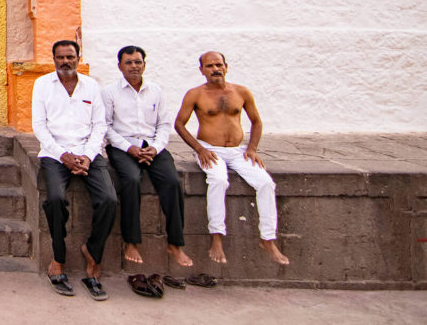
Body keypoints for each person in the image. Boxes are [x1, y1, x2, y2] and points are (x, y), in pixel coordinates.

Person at [174, 51, 290, 266]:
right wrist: (199, 149)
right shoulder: (195, 94)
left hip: (238, 150)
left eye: (218, 64)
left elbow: (256, 121)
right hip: (210, 149)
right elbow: (179, 124)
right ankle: (216, 237)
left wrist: (253, 148)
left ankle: (268, 239)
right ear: (201, 70)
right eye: (209, 66)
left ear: (226, 67)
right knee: (219, 180)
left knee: (265, 183)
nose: (215, 69)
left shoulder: (241, 92)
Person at [32, 40, 117, 300]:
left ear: (78, 57)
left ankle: (93, 253)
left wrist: (88, 157)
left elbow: (99, 126)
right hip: (55, 154)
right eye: (60, 57)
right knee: (55, 200)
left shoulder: (92, 86)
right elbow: (39, 126)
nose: (65, 61)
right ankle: (58, 258)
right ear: (54, 59)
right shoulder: (42, 85)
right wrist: (63, 156)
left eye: (70, 57)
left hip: (88, 153)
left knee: (109, 200)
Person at [102, 46, 192, 267]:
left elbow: (164, 124)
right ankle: (131, 241)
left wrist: (155, 147)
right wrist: (128, 148)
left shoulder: (156, 91)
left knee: (172, 182)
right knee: (131, 180)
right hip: (123, 146)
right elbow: (105, 126)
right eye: (129, 62)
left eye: (138, 62)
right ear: (120, 66)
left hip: (151, 146)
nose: (134, 66)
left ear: (144, 64)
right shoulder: (110, 92)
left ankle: (175, 243)